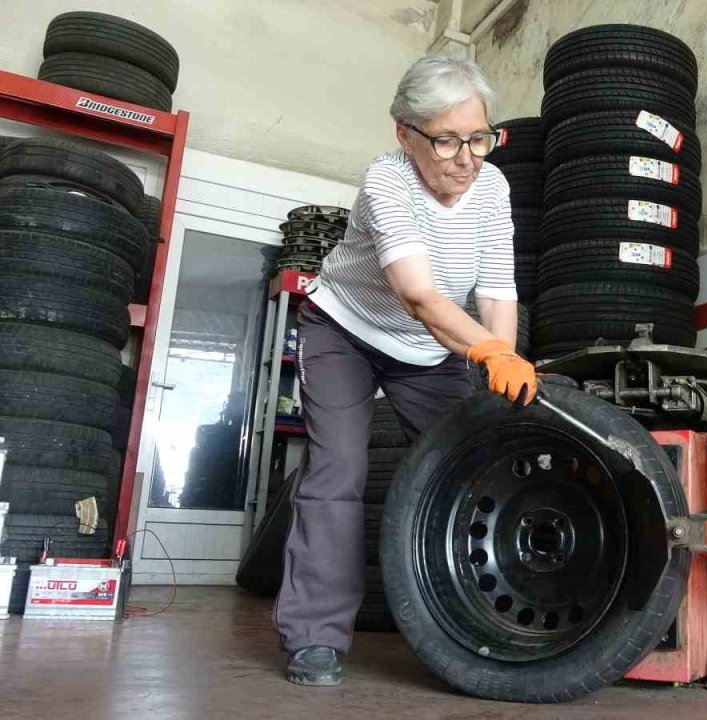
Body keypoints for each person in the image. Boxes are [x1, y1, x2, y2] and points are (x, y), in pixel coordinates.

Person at [273, 55, 537, 687]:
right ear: (404, 133)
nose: (466, 157)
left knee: (478, 462)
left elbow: (498, 293)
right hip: (345, 330)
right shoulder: (386, 181)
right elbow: (419, 295)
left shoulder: (493, 188)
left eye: (479, 137)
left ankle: (487, 621)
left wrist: (506, 363)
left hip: (429, 351)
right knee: (340, 469)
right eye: (447, 140)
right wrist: (491, 353)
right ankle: (314, 637)